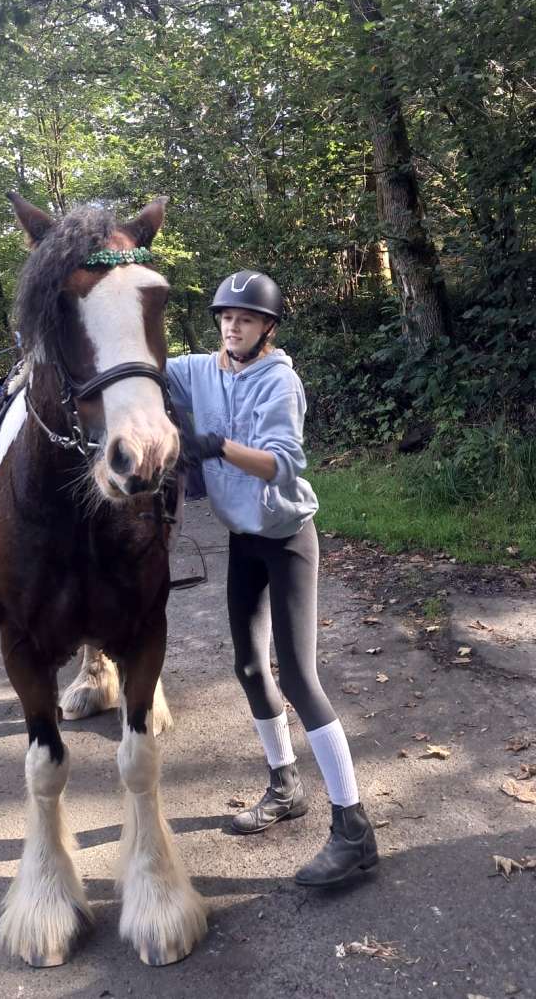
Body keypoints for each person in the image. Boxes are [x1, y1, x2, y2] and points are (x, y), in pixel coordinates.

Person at [165, 270, 378, 887]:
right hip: (243, 539)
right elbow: (144, 367)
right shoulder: (199, 369)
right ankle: (285, 785)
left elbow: (282, 464)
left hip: (286, 539)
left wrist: (215, 446)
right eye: (226, 317)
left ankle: (354, 830)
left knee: (299, 679)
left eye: (246, 319)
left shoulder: (280, 380)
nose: (233, 327)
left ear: (267, 329)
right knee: (249, 667)